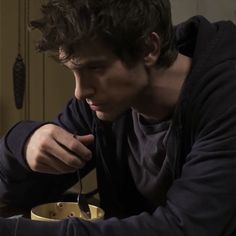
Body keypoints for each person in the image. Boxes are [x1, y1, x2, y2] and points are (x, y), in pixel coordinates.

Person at [0, 0, 236, 235]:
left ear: (149, 48)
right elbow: (9, 187)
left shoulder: (226, 99)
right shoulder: (105, 101)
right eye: (74, 71)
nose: (80, 92)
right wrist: (24, 144)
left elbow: (185, 228)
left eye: (95, 69)